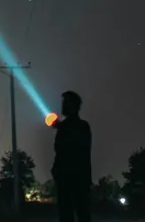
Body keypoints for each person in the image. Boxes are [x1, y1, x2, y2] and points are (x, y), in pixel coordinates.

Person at [52, 90, 92, 222]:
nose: (62, 106)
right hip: (77, 179)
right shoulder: (81, 126)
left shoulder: (73, 127)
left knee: (69, 215)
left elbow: (65, 151)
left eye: (65, 103)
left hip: (71, 179)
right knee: (80, 214)